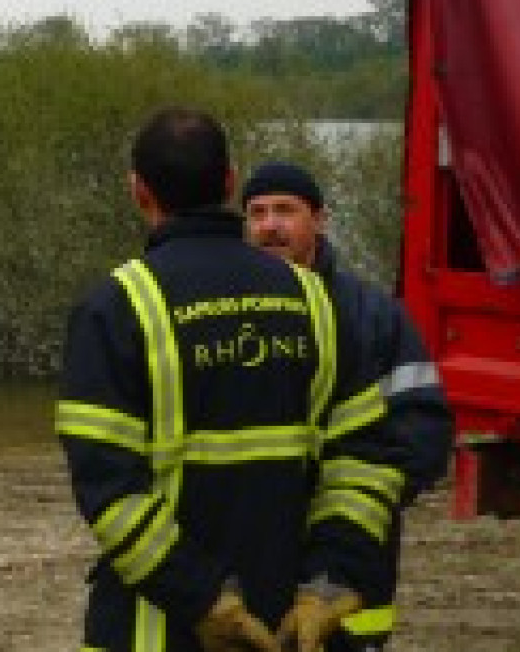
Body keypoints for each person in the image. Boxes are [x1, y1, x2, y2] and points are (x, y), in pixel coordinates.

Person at [56, 108, 407, 652]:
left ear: (138, 191)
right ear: (230, 182)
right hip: (298, 624)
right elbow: (364, 462)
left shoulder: (115, 308)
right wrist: (329, 580)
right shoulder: (314, 300)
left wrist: (203, 599)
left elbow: (110, 490)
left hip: (159, 628)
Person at [241, 160, 455, 652]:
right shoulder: (229, 317)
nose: (269, 226)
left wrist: (360, 507)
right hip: (256, 549)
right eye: (257, 213)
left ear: (320, 219)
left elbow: (423, 433)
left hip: (354, 560)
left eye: (285, 211)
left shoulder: (373, 315)